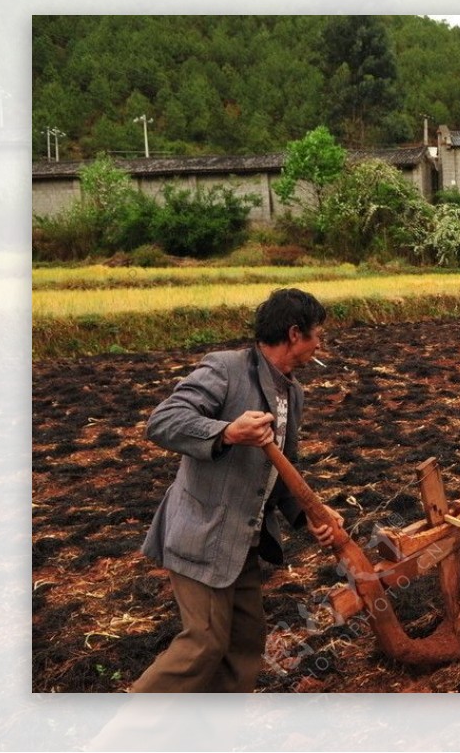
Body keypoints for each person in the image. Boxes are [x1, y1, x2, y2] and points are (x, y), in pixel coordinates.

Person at [129, 287, 343, 693]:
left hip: (243, 542)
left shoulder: (292, 393)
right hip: (202, 534)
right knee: (203, 644)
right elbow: (164, 421)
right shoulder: (226, 369)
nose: (320, 344)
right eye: (318, 335)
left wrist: (310, 516)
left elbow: (282, 469)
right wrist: (227, 432)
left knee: (244, 646)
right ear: (295, 334)